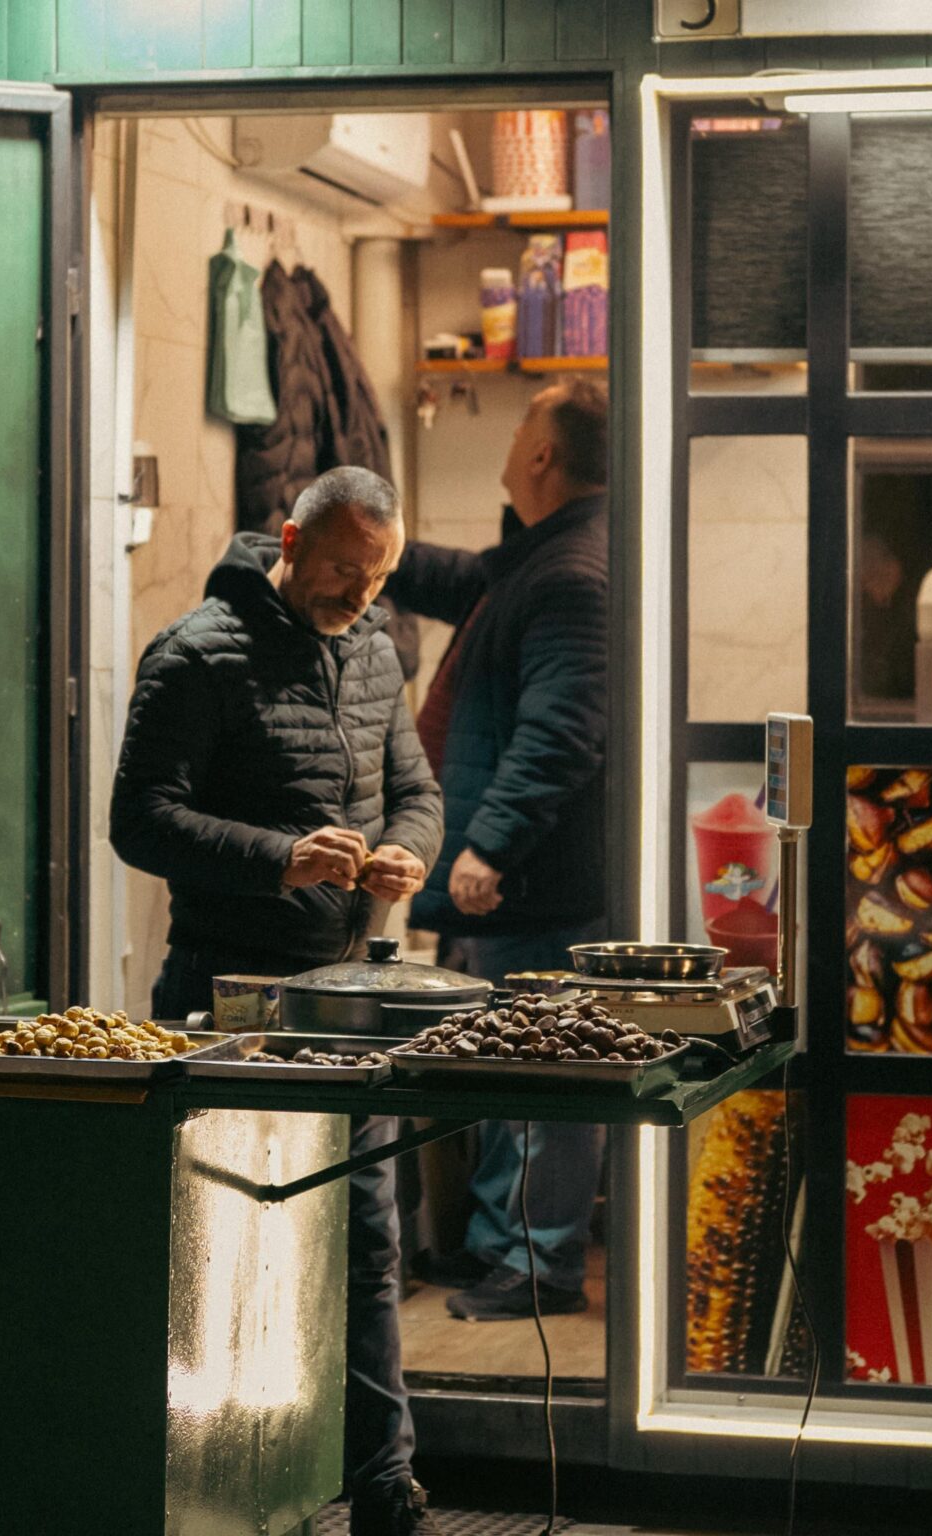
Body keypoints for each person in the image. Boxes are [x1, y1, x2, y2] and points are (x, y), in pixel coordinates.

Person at [110, 466, 445, 1536]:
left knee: (367, 1241)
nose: (360, 594)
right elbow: (139, 820)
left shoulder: (376, 650)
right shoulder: (196, 653)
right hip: (225, 1001)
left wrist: (408, 850)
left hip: (346, 1003)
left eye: (378, 576)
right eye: (344, 569)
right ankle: (212, 1493)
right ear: (289, 541)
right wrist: (279, 858)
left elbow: (417, 791)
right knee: (220, 1244)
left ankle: (384, 1484)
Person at [386, 378, 609, 1322]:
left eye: (523, 421)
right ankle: (499, 1249)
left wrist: (489, 847)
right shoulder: (544, 556)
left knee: (543, 1072)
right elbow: (463, 579)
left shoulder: (570, 575)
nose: (513, 436)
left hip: (537, 885)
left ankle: (536, 1264)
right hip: (527, 884)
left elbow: (562, 731)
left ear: (544, 453)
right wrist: (371, 543)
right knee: (513, 1063)